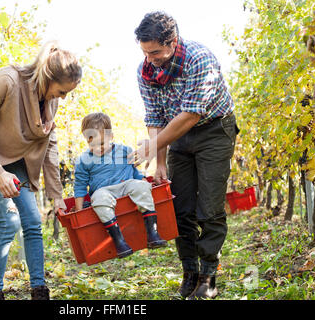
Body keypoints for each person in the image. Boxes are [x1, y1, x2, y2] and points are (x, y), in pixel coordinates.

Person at [0, 41, 82, 300]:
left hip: (16, 161)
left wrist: (56, 195)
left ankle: (39, 289)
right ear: (48, 77)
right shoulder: (7, 81)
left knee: (34, 223)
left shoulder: (50, 101)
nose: (62, 98)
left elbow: (49, 146)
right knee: (9, 222)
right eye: (61, 91)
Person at [130, 12, 239, 299]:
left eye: (154, 51)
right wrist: (160, 162)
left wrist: (150, 147)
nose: (149, 58)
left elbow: (190, 115)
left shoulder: (198, 59)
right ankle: (189, 272)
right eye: (144, 51)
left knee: (210, 209)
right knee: (180, 209)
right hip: (176, 135)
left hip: (213, 130)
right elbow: (156, 117)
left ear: (172, 41)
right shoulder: (147, 70)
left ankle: (208, 278)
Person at [73, 112, 167, 258]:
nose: (98, 148)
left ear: (111, 137)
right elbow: (79, 186)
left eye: (102, 143)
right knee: (98, 198)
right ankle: (119, 242)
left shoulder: (124, 151)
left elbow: (134, 171)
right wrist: (79, 211)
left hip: (126, 185)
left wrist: (143, 181)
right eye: (93, 145)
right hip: (103, 191)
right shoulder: (84, 160)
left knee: (141, 187)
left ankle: (152, 233)